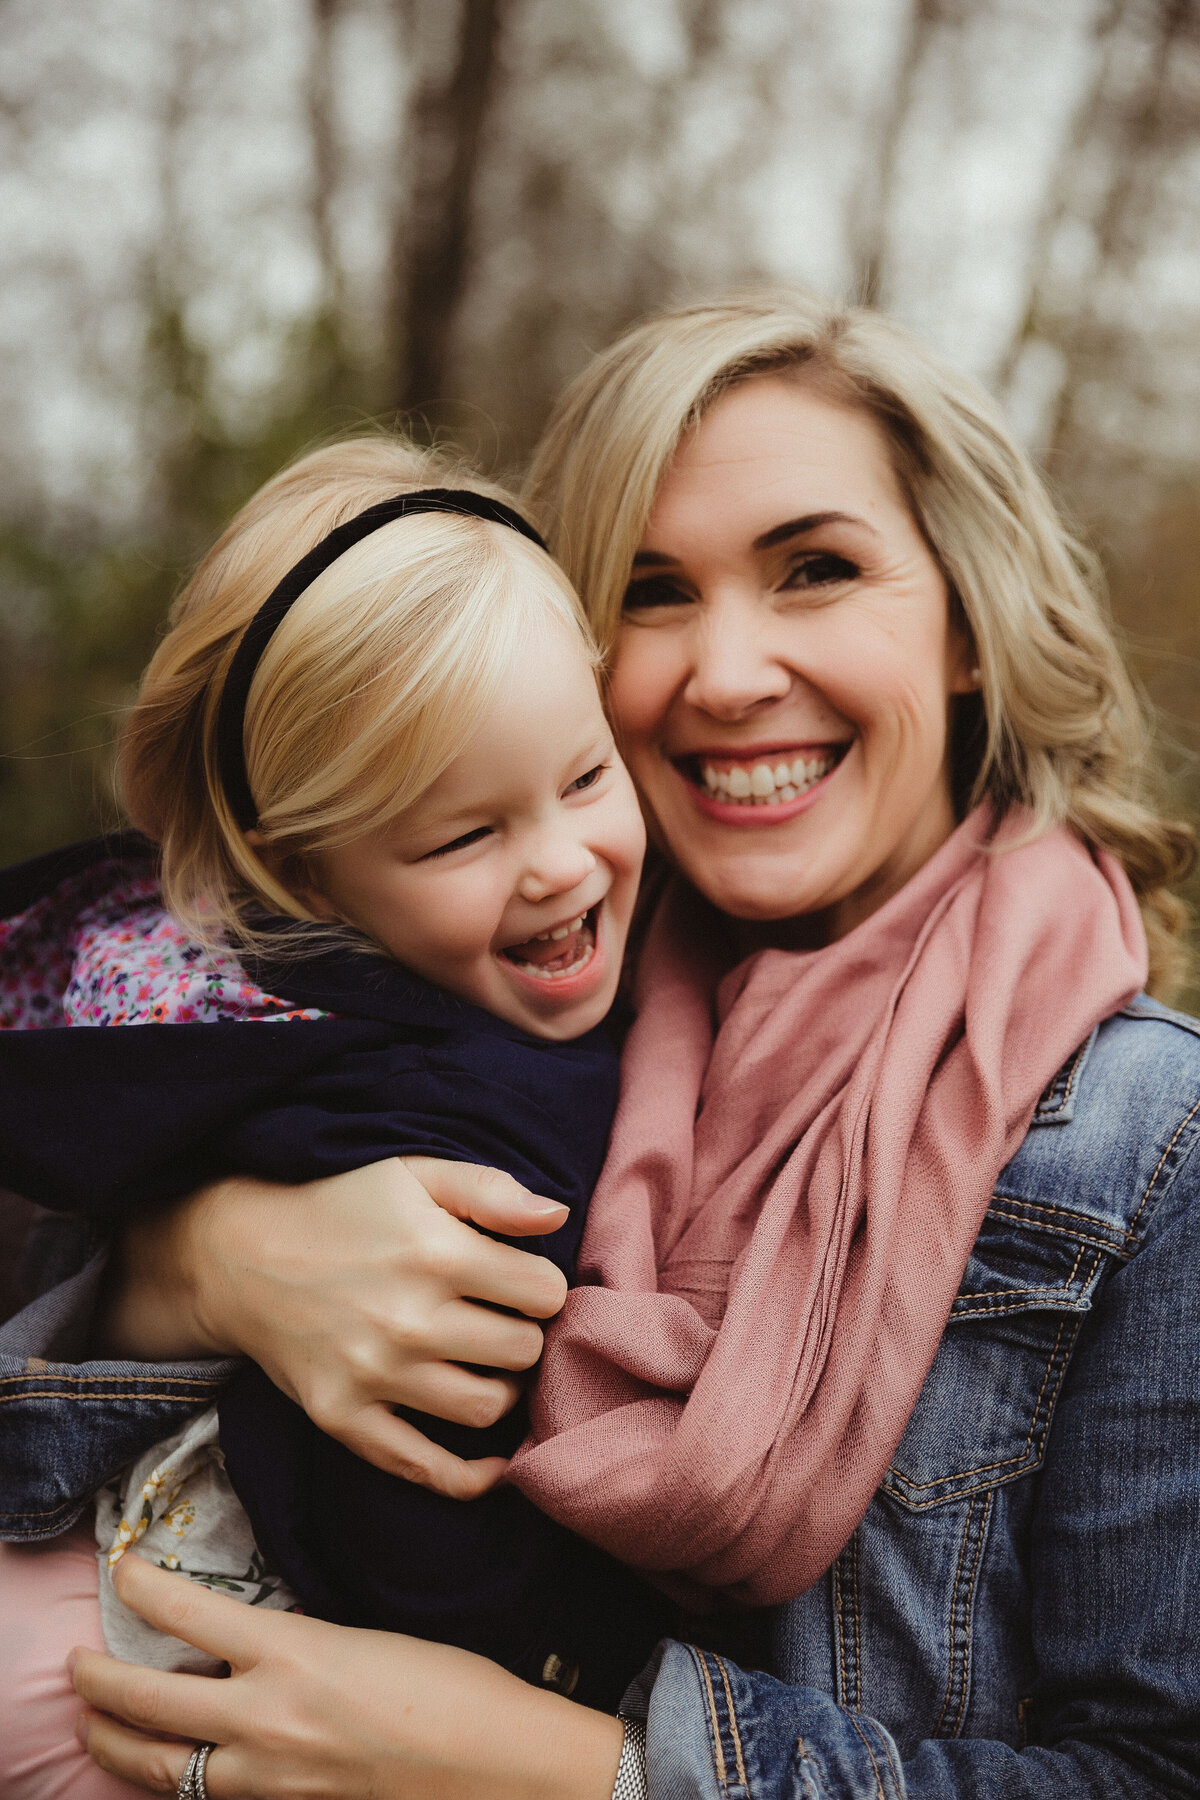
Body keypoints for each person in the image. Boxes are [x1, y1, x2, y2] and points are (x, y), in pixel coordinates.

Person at [6, 288, 1200, 1800]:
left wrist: (571, 1769)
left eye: (816, 570)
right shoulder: (460, 1007)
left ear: (967, 625)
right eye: (650, 591)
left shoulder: (1149, 1144)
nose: (724, 671)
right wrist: (201, 1275)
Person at [0, 436, 659, 1794]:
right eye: (462, 837)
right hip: (173, 1699)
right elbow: (411, 1508)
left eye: (588, 778)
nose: (557, 859)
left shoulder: (161, 993)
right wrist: (577, 1662)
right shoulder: (457, 1107)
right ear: (310, 874)